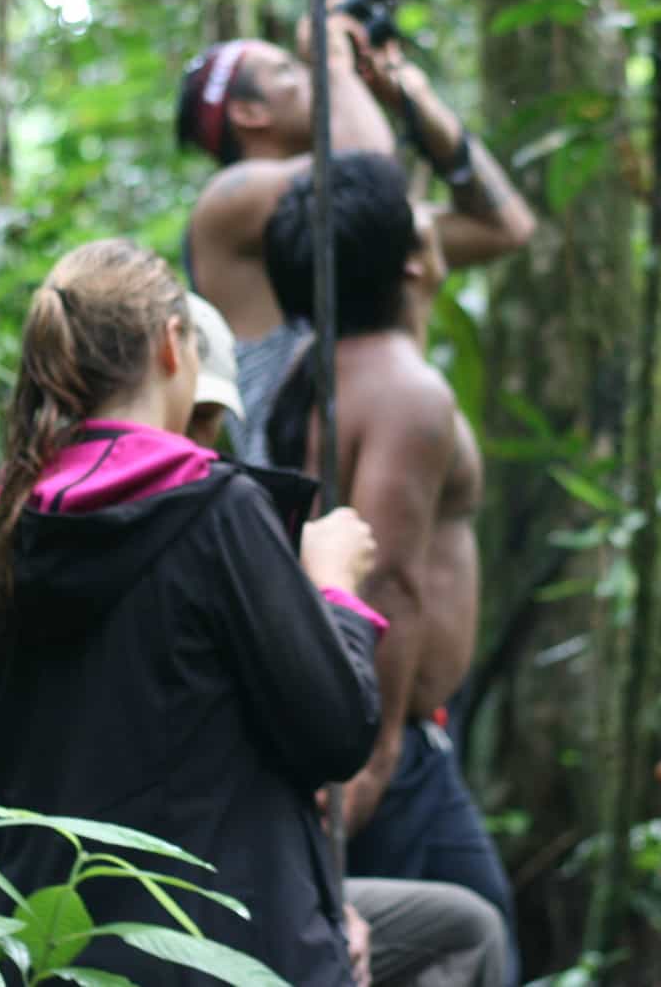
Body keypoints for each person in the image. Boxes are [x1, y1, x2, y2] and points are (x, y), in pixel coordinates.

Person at [0, 286, 507, 987]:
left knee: (461, 929)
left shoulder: (41, 519)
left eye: (210, 424)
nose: (196, 440)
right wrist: (30, 777)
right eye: (193, 416)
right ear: (168, 359)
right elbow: (338, 731)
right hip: (177, 926)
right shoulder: (197, 518)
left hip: (164, 909)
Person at [263, 153, 522, 980]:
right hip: (386, 746)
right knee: (483, 948)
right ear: (412, 261)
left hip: (376, 733)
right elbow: (384, 581)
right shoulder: (408, 396)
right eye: (418, 213)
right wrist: (367, 768)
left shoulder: (315, 370)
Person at [176, 9, 533, 462]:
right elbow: (368, 175)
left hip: (380, 446)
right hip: (303, 488)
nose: (310, 76)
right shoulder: (228, 200)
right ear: (250, 112)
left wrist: (416, 101)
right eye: (289, 70)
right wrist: (335, 64)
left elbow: (503, 228)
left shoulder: (340, 216)